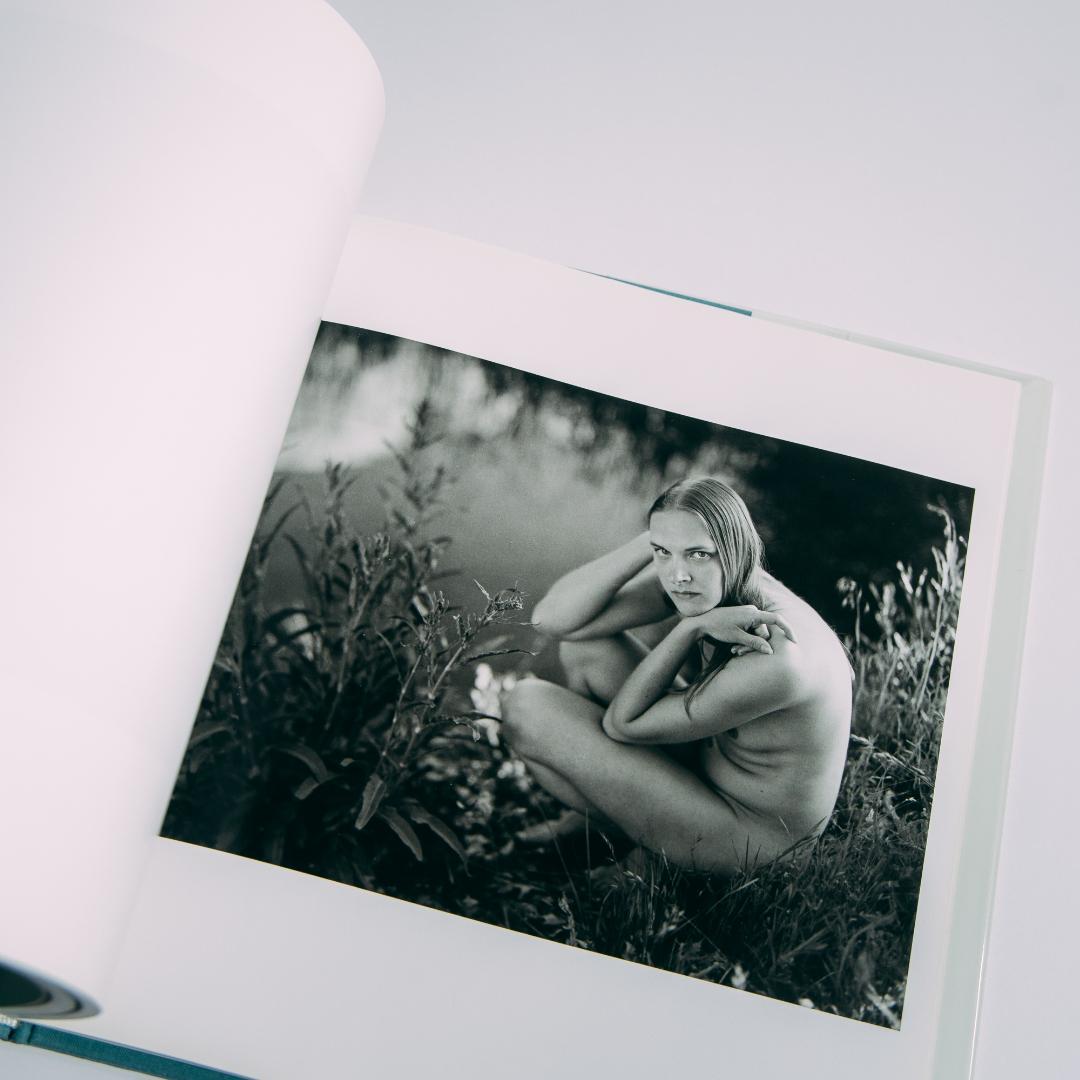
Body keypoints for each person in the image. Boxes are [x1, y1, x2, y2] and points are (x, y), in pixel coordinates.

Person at [500, 477, 852, 876]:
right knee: (586, 646)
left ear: (736, 549)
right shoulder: (712, 580)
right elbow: (552, 620)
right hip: (712, 768)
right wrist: (658, 538)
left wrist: (690, 629)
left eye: (698, 553)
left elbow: (622, 725)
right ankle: (610, 823)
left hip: (752, 842)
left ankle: (646, 851)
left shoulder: (777, 656)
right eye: (663, 553)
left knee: (524, 707)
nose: (678, 575)